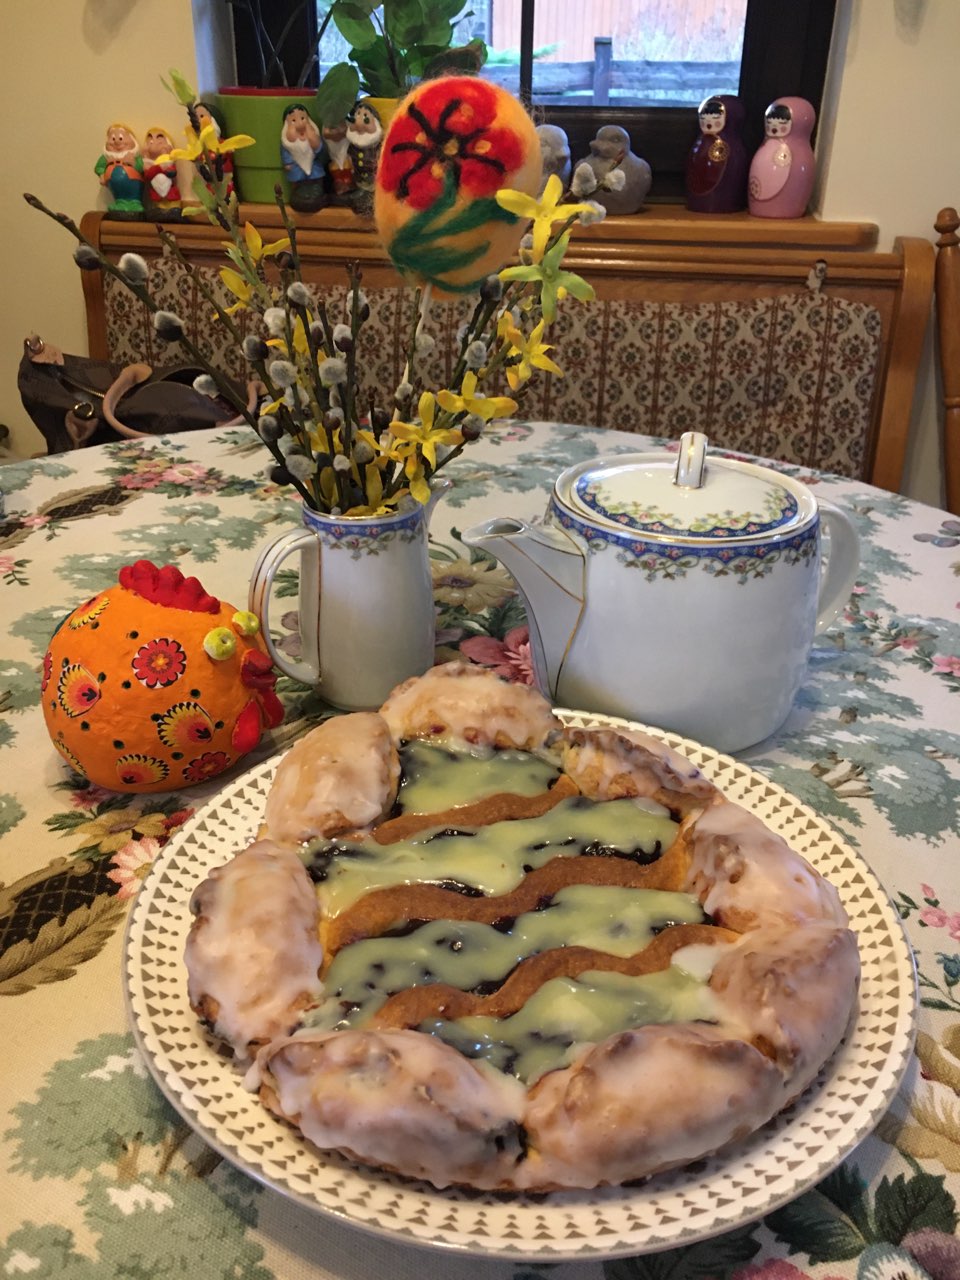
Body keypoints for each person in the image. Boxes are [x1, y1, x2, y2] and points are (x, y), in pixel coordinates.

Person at [280, 103, 327, 212]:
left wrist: (314, 142)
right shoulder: (287, 143)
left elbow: (320, 150)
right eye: (294, 120)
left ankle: (317, 190)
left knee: (317, 174)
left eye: (302, 118)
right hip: (296, 165)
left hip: (313, 163)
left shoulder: (314, 135)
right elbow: (285, 152)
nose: (300, 124)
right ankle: (298, 191)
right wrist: (288, 162)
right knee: (296, 176)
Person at [94, 123, 144, 218]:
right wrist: (102, 175)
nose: (116, 142)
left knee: (134, 198)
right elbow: (98, 167)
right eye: (113, 139)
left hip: (133, 182)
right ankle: (119, 203)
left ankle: (135, 203)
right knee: (119, 198)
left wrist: (134, 163)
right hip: (115, 189)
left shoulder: (134, 156)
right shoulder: (106, 158)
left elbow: (141, 168)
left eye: (121, 138)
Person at [141, 125, 181, 220]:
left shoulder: (168, 160)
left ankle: (173, 209)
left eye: (160, 142)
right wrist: (159, 168)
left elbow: (172, 172)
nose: (154, 144)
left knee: (173, 207)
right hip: (156, 195)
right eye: (151, 141)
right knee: (158, 207)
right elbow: (148, 175)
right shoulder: (147, 164)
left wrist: (165, 160)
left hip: (170, 193)